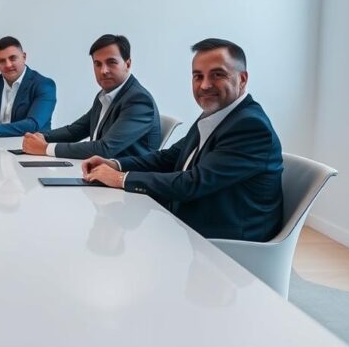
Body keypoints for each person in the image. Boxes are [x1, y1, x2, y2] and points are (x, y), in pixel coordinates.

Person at [82, 38, 283, 242]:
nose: (205, 85)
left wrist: (120, 179)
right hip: (189, 223)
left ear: (242, 79)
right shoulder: (218, 114)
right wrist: (115, 164)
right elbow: (168, 158)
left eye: (218, 74)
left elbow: (192, 183)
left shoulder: (249, 125)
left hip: (224, 244)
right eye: (198, 76)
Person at [21, 34, 161, 160]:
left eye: (111, 62)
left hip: (123, 177)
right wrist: (41, 136)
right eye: (97, 64)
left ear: (128, 64)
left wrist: (46, 149)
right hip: (98, 171)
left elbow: (105, 149)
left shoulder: (139, 100)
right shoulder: (105, 95)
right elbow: (74, 131)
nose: (103, 70)